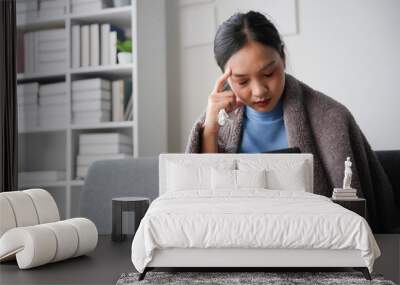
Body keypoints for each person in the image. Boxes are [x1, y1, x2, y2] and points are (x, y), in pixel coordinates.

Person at [185, 11, 400, 233]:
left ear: (283, 58)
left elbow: (363, 215)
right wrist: (210, 130)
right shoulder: (215, 123)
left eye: (269, 74)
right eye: (242, 81)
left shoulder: (332, 118)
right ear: (225, 78)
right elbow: (204, 209)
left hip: (315, 247)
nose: (259, 91)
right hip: (236, 244)